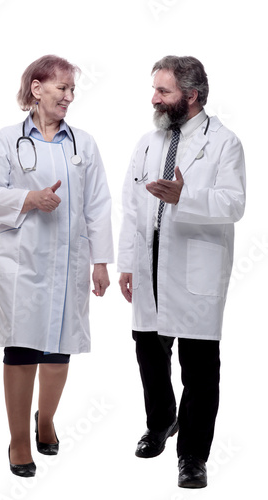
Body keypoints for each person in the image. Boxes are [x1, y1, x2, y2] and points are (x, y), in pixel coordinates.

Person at [0, 55, 113, 477]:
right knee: (22, 349)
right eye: (62, 89)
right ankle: (18, 440)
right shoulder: (6, 140)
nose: (69, 97)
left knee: (58, 350)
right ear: (37, 88)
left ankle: (45, 418)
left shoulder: (82, 143)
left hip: (69, 261)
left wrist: (101, 262)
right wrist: (27, 199)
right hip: (20, 262)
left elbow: (98, 205)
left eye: (72, 90)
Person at [118, 55, 245, 489]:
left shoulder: (224, 143)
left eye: (163, 91)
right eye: (155, 89)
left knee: (199, 368)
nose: (154, 98)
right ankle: (160, 422)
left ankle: (192, 455)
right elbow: (131, 207)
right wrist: (128, 263)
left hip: (196, 271)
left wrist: (183, 198)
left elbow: (234, 203)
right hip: (149, 267)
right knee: (148, 351)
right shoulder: (149, 142)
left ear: (190, 96)